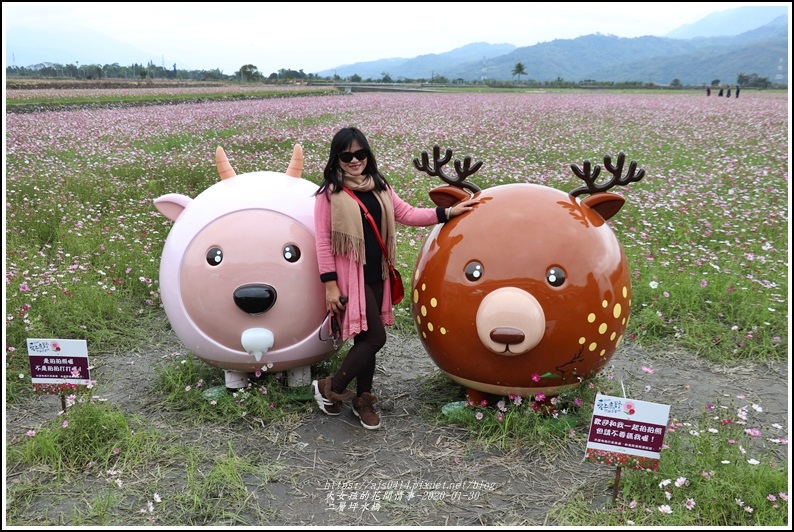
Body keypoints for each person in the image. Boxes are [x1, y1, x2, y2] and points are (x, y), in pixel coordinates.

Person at [312, 127, 478, 429]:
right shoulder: (329, 194)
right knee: (376, 338)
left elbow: (408, 213)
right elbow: (323, 242)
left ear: (367, 155)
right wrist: (330, 285)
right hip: (352, 277)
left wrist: (449, 212)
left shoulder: (379, 185)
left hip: (378, 273)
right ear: (336, 159)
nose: (354, 160)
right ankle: (330, 387)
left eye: (360, 154)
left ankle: (363, 400)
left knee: (366, 339)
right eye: (347, 155)